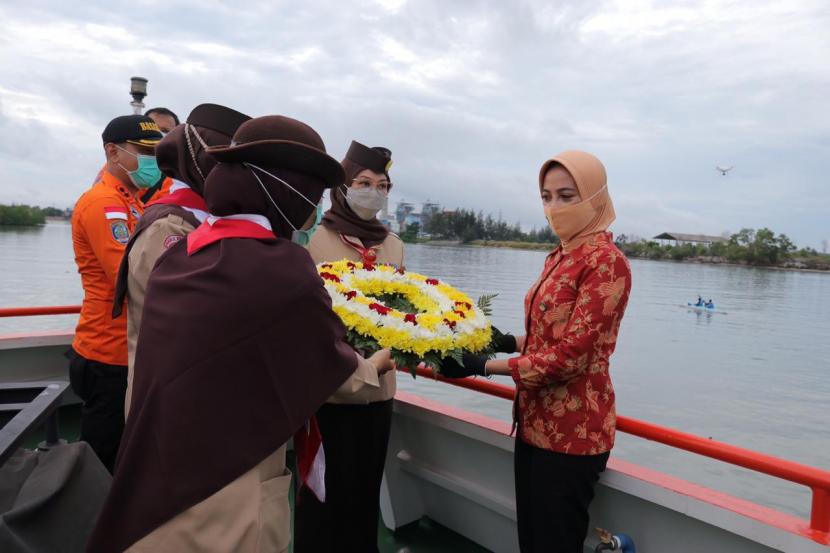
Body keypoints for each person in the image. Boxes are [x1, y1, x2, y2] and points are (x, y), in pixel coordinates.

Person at [87, 115, 395, 553]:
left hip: (161, 466)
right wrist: (375, 368)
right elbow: (325, 368)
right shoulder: (282, 269)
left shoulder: (187, 249)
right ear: (290, 195)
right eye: (313, 196)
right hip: (229, 485)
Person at [440, 150, 632, 553]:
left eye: (567, 195)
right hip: (533, 423)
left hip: (573, 434)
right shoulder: (560, 257)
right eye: (547, 197)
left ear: (596, 197)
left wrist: (484, 365)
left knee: (553, 543)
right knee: (532, 539)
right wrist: (505, 341)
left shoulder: (606, 263)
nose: (554, 207)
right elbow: (550, 336)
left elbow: (572, 356)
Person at [295, 141, 403, 552]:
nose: (372, 192)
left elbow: (405, 311)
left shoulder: (392, 245)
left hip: (380, 390)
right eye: (362, 182)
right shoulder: (312, 240)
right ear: (342, 185)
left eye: (382, 185)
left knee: (364, 495)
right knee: (321, 498)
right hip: (331, 390)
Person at [112, 103, 250, 419]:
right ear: (201, 160)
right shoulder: (170, 225)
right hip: (169, 401)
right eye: (228, 162)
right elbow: (181, 325)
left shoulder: (210, 217)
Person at [69, 114, 163, 472]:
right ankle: (90, 526)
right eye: (144, 151)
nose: (153, 159)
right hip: (108, 354)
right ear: (113, 152)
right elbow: (131, 276)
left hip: (126, 351)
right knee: (101, 463)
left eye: (157, 151)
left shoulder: (134, 203)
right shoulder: (104, 204)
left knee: (126, 457)